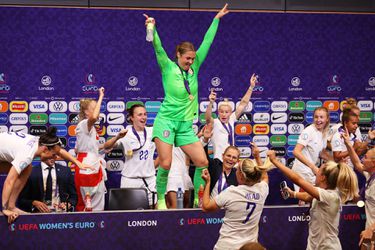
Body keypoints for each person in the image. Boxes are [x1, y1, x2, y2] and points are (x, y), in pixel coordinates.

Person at [144, 4, 229, 209]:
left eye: (192, 58)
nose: (190, 61)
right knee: (165, 163)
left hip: (184, 125)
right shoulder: (168, 66)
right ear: (178, 55)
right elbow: (158, 47)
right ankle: (162, 199)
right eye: (187, 58)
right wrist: (152, 28)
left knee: (202, 162)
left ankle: (200, 198)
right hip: (166, 120)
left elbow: (207, 42)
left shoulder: (195, 66)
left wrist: (216, 19)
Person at [268, 150, 358, 250]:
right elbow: (308, 197)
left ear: (323, 178)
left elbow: (298, 180)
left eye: (318, 170)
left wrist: (274, 161)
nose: (315, 172)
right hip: (315, 246)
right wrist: (293, 194)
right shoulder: (324, 193)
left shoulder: (330, 196)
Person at [0, 127, 88, 223]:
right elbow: (9, 181)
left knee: (27, 168)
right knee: (25, 168)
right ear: (45, 150)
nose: (56, 157)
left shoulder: (40, 142)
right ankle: (8, 207)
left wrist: (77, 162)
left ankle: (11, 206)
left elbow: (60, 151)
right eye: (54, 154)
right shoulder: (26, 155)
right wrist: (4, 209)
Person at [201, 155, 273, 250]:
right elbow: (265, 177)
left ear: (241, 176)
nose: (235, 171)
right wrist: (257, 157)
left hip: (227, 246)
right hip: (249, 247)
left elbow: (206, 207)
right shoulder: (262, 190)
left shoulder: (231, 192)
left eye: (237, 169)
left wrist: (208, 182)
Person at [75, 87, 127, 211]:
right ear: (87, 112)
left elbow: (103, 146)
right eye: (94, 108)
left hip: (94, 166)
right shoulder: (83, 124)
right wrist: (101, 97)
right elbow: (93, 118)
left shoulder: (91, 129)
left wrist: (117, 137)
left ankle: (97, 228)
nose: (97, 111)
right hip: (87, 168)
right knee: (87, 206)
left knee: (98, 205)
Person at [110, 104, 158, 208]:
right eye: (140, 115)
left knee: (154, 211)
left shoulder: (153, 131)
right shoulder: (126, 133)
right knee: (128, 213)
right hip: (130, 180)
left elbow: (166, 148)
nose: (143, 117)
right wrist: (117, 137)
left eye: (145, 114)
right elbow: (107, 147)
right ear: (132, 118)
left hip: (149, 180)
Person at [205, 73, 257, 161]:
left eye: (226, 112)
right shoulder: (215, 122)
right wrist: (210, 103)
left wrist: (251, 87)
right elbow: (207, 118)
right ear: (218, 112)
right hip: (219, 161)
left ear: (230, 113)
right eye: (221, 112)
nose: (224, 114)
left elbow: (243, 103)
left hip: (232, 159)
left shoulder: (232, 119)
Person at [341, 129, 375, 246]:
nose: (362, 160)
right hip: (369, 233)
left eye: (365, 157)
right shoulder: (370, 175)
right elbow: (356, 162)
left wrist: (371, 229)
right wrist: (348, 145)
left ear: (373, 162)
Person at [292, 107, 330, 191]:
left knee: (311, 198)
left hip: (311, 172)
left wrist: (334, 162)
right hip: (302, 171)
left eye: (321, 117)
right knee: (308, 197)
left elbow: (322, 153)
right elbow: (296, 151)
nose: (318, 120)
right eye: (316, 117)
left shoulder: (324, 132)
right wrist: (313, 167)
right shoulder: (308, 131)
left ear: (327, 119)